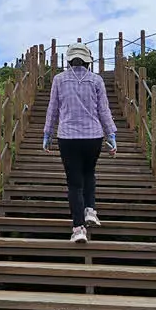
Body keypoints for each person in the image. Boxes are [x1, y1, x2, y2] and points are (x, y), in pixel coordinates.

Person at [42, 42, 118, 243]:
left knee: (74, 183)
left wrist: (47, 134)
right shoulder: (96, 80)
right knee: (89, 173)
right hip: (93, 136)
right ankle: (90, 210)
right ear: (87, 61)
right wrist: (111, 135)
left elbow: (53, 109)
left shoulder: (59, 80)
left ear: (68, 60)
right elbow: (104, 110)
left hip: (67, 137)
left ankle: (78, 229)